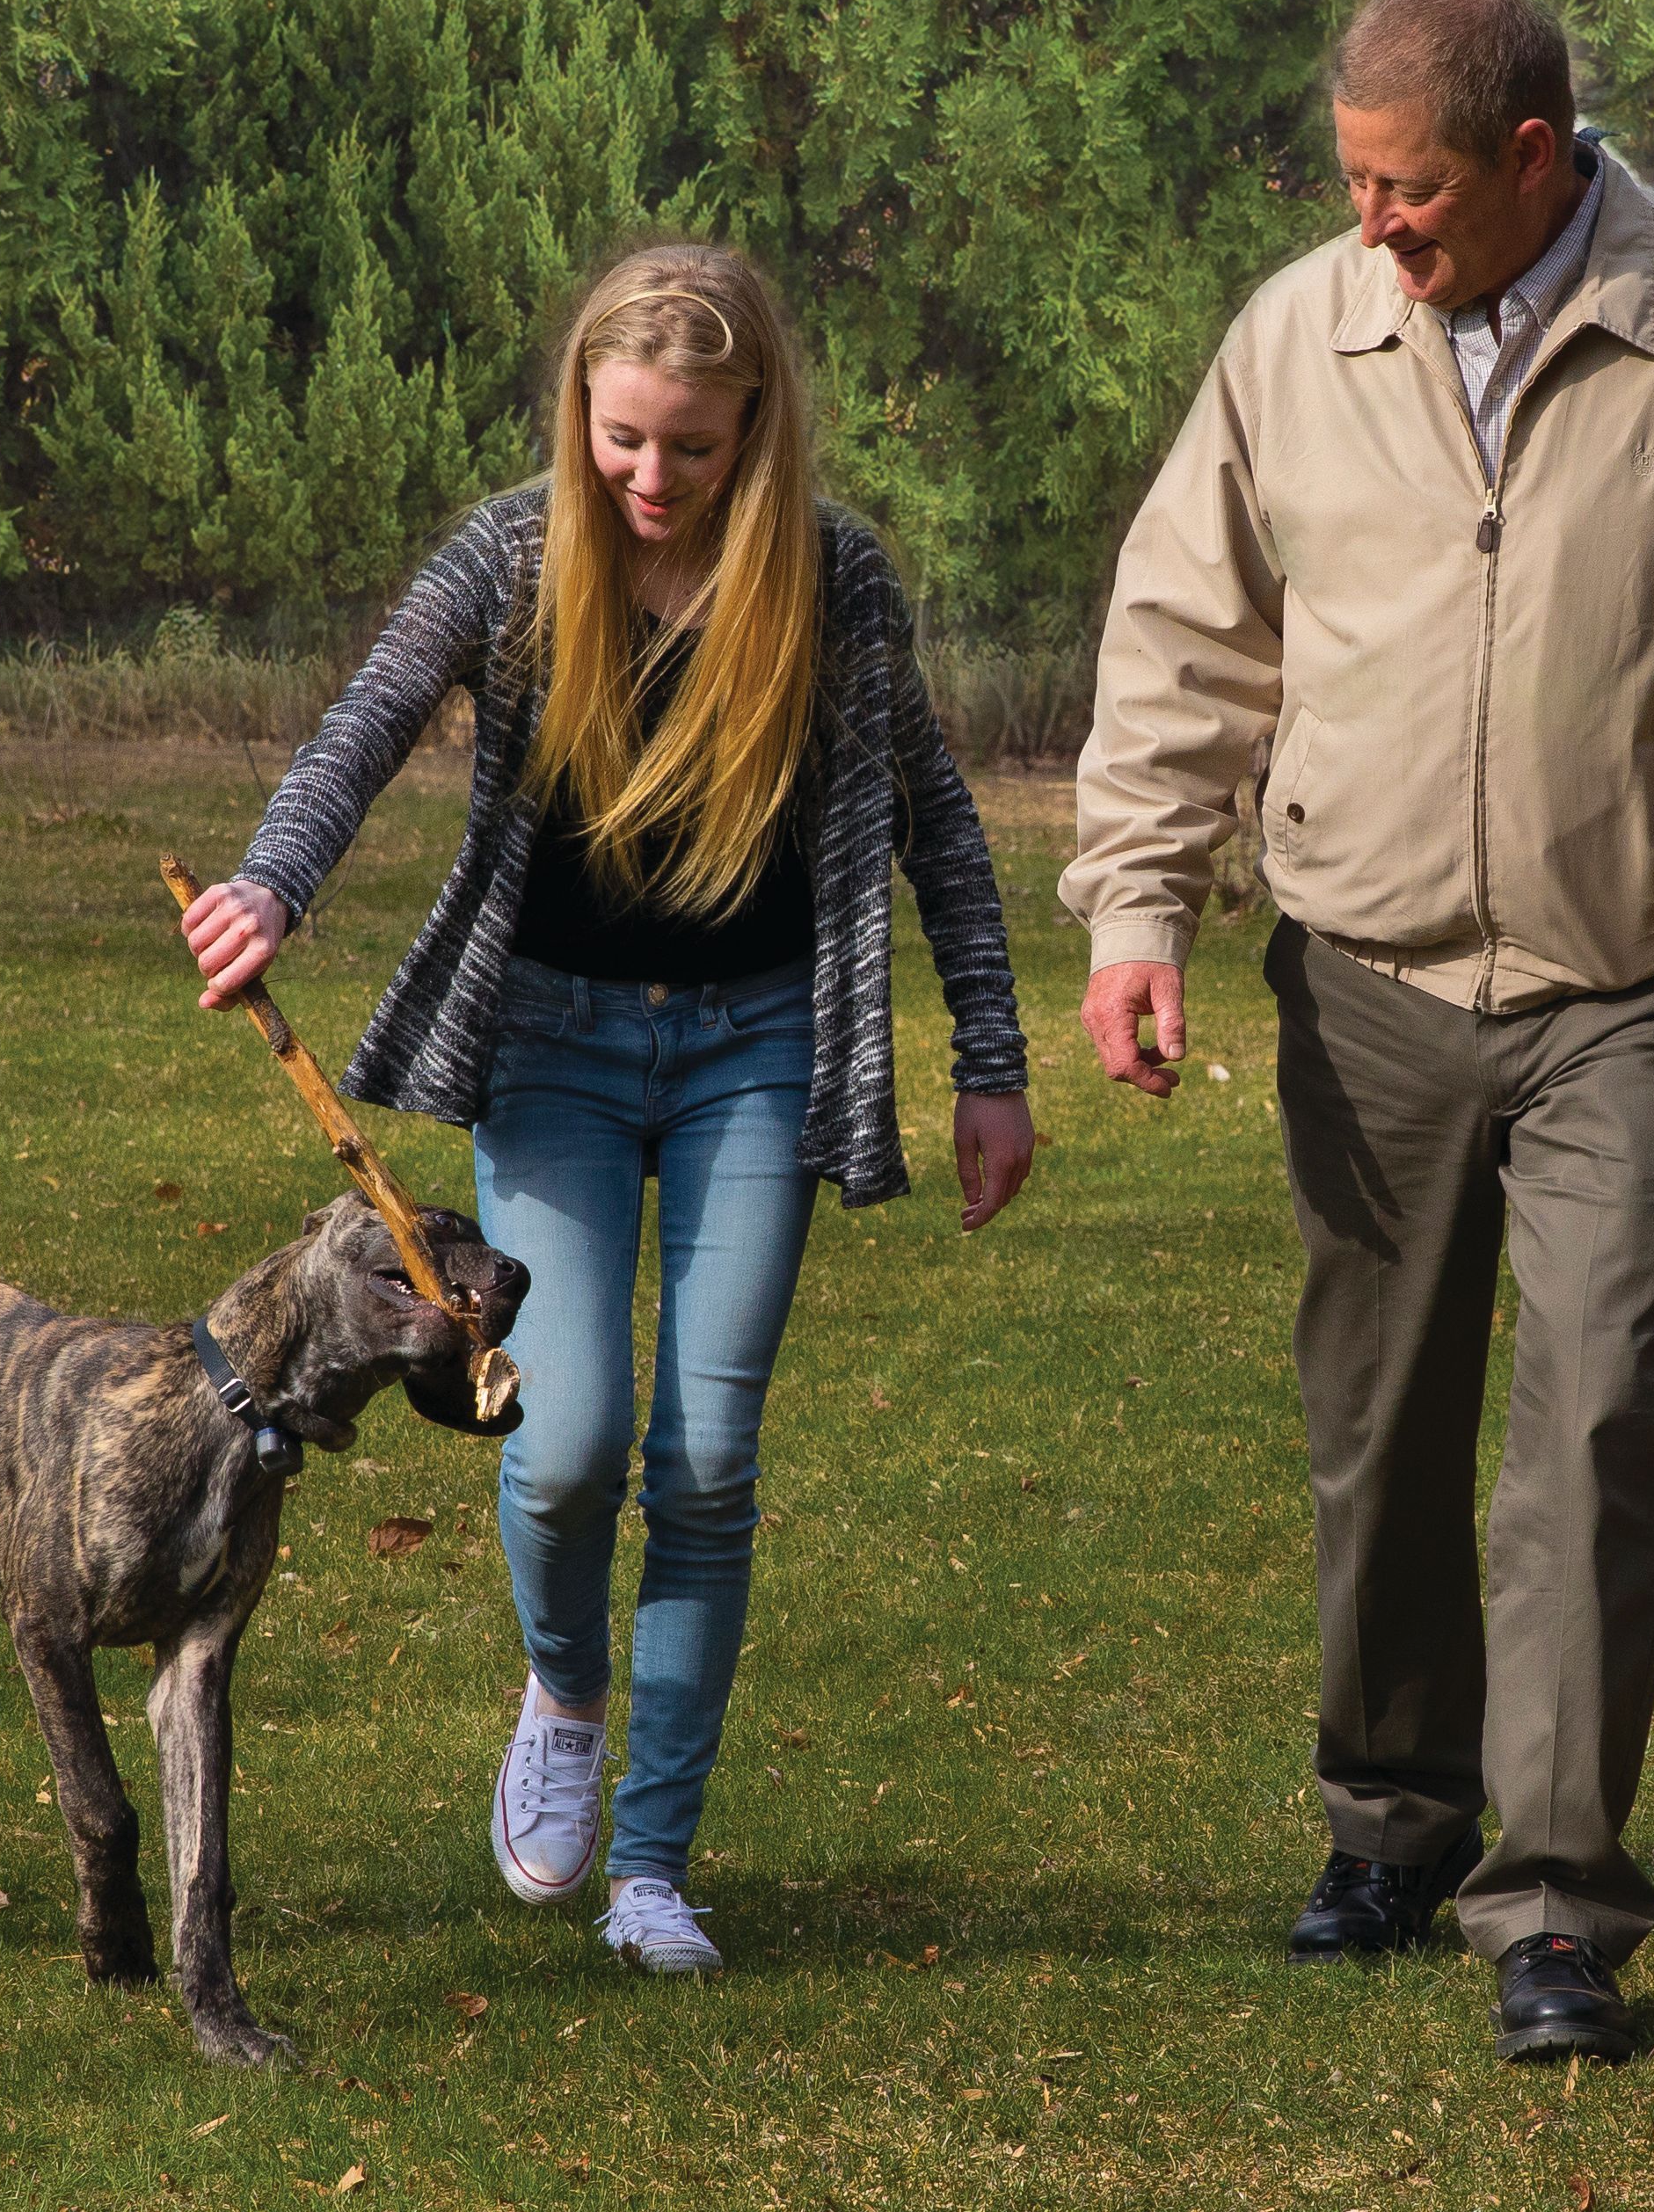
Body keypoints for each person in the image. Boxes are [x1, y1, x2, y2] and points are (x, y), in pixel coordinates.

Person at [1062, 0, 1654, 2065]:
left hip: (1633, 980)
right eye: (1355, 185)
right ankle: (1392, 1822)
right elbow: (1185, 628)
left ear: (1535, 162)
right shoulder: (1298, 335)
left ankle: (1553, 1903)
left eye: (1407, 190)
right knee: (1377, 1437)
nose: (1370, 226)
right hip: (1361, 972)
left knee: (1589, 1422)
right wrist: (1139, 898)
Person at [181, 244, 1038, 1978]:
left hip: (757, 1049)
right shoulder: (513, 555)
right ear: (580, 411)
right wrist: (275, 880)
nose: (649, 480)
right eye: (621, 438)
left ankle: (654, 1863)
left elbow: (937, 822)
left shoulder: (833, 578)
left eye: (692, 450)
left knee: (707, 1460)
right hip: (553, 1049)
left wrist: (994, 1064)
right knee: (560, 1443)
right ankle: (567, 1689)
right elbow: (364, 721)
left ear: (759, 432)